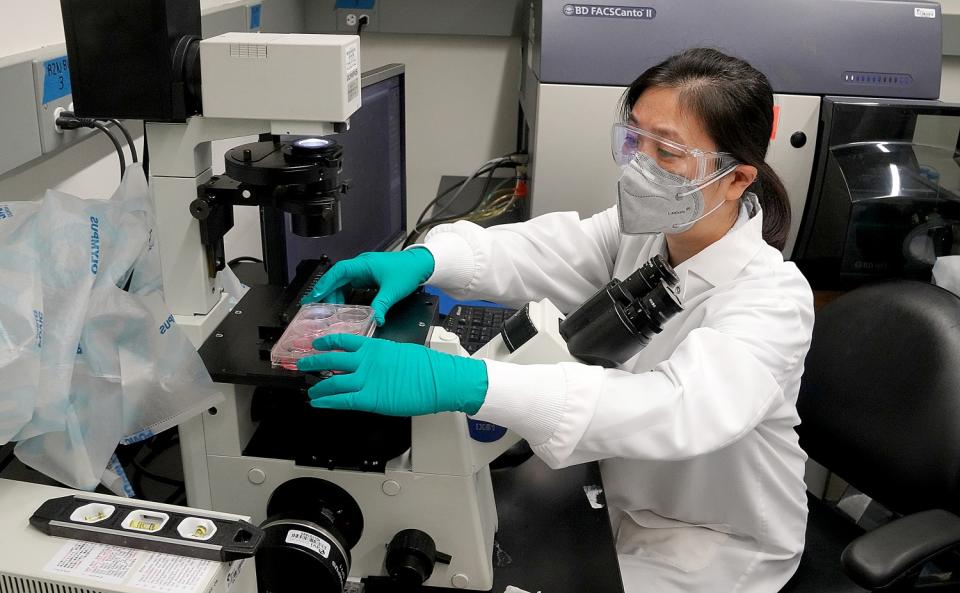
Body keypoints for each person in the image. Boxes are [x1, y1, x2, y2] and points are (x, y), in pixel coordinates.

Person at [297, 48, 814, 593]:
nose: (641, 165)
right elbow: (542, 250)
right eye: (634, 139)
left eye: (667, 151)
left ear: (736, 180)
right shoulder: (644, 236)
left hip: (712, 545)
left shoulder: (773, 301)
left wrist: (464, 382)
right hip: (616, 501)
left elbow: (674, 409)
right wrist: (427, 260)